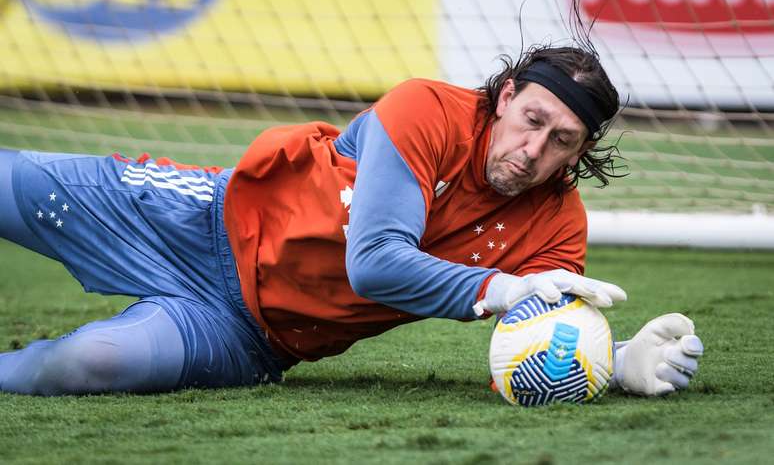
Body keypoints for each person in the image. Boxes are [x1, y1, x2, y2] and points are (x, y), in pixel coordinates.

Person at [0, 44, 703, 397]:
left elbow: (547, 333)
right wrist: (500, 287)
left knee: (90, 362)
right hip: (196, 220)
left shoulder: (557, 230)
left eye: (562, 143)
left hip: (251, 335)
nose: (532, 151)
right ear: (506, 97)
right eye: (531, 121)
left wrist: (613, 364)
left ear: (581, 154)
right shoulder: (426, 109)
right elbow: (376, 261)